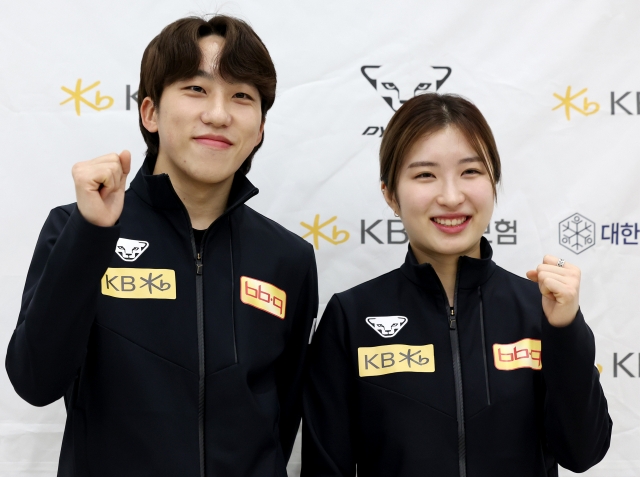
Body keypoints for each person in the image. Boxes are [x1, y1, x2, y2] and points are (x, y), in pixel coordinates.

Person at [6, 15, 318, 477]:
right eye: (196, 89)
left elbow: (282, 418)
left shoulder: (287, 258)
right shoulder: (77, 228)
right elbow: (35, 380)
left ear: (260, 129)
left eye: (241, 96)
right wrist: (92, 235)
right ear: (149, 112)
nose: (218, 113)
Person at [302, 93, 611, 477]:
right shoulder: (350, 317)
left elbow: (583, 453)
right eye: (425, 175)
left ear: (493, 181)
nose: (451, 197)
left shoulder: (539, 311)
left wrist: (565, 330)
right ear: (390, 195)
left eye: (470, 172)